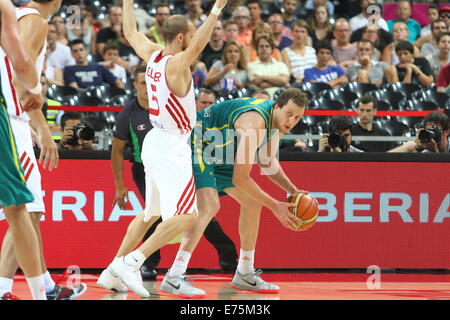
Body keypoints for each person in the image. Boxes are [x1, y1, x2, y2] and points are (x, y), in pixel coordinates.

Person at [96, 0, 229, 299]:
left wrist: (127, 2)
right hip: (171, 144)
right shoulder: (178, 63)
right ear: (181, 37)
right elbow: (197, 49)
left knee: (149, 214)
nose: (195, 39)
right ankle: (132, 262)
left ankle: (111, 269)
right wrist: (216, 11)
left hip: (154, 141)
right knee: (187, 217)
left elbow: (130, 31)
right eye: (192, 34)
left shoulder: (151, 55)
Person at [167, 88, 309, 295]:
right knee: (209, 205)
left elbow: (267, 162)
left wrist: (293, 191)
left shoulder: (276, 123)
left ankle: (244, 272)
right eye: (289, 113)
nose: (292, 120)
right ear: (277, 107)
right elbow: (240, 178)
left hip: (220, 151)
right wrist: (276, 206)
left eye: (298, 117)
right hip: (198, 138)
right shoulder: (255, 125)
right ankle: (175, 275)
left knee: (253, 202)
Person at [111, 67, 238, 280]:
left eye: (147, 83)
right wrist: (119, 185)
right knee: (155, 215)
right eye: (141, 83)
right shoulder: (128, 114)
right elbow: (116, 151)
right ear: (134, 85)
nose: (146, 88)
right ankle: (146, 264)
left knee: (197, 213)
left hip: (177, 166)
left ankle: (228, 257)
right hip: (146, 169)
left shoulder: (164, 108)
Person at [0, 0, 86, 300]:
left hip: (16, 119)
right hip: (10, 121)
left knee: (27, 210)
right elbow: (17, 73)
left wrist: (38, 126)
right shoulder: (35, 21)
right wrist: (42, 128)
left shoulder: (21, 15)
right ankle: (10, 290)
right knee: (24, 209)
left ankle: (44, 287)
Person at [45, 21, 75, 85]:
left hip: (62, 82)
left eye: (52, 32)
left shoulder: (66, 50)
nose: (49, 34)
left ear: (57, 35)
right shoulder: (37, 50)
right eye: (46, 31)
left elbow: (72, 69)